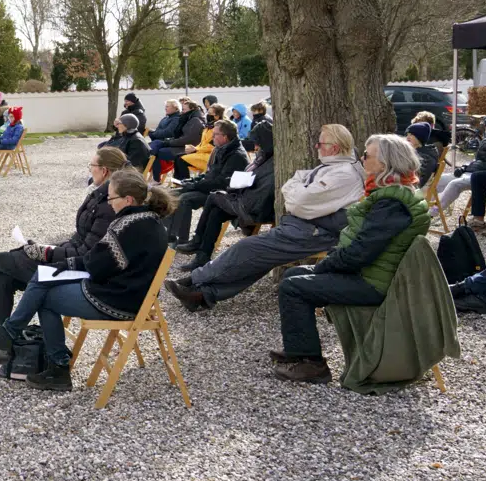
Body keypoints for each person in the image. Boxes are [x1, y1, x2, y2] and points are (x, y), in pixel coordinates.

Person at [0, 169, 174, 391]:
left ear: (128, 199)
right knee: (43, 281)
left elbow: (97, 266)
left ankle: (47, 360)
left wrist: (66, 265)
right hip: (130, 294)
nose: (109, 202)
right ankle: (20, 344)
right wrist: (66, 265)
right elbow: (100, 261)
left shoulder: (127, 225)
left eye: (112, 197)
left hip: (118, 300)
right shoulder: (149, 221)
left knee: (43, 295)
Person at [271, 133, 430, 383]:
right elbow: (362, 246)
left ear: (385, 163)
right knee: (293, 274)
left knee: (293, 287)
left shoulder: (392, 202)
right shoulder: (396, 193)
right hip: (377, 273)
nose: (361, 159)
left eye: (366, 155)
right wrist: (330, 262)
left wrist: (325, 265)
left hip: (376, 283)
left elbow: (360, 253)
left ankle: (312, 365)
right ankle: (299, 348)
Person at [0, 146, 131, 347]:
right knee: (4, 272)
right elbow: (80, 240)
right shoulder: (100, 196)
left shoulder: (109, 204)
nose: (89, 169)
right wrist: (46, 248)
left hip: (81, 271)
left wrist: (46, 253)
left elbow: (86, 253)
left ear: (104, 171)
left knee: (4, 261)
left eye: (92, 165)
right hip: (74, 262)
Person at [165, 124, 365, 312]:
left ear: (334, 148)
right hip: (305, 226)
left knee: (246, 248)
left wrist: (295, 187)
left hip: (314, 231)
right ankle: (202, 294)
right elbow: (295, 183)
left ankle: (194, 280)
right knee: (256, 256)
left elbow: (297, 202)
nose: (316, 147)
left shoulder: (343, 174)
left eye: (320, 144)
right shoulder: (333, 166)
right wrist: (297, 187)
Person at [177, 117, 275, 270]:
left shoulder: (265, 161)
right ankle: (202, 257)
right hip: (242, 196)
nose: (255, 146)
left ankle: (197, 241)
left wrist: (233, 188)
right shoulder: (262, 156)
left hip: (252, 206)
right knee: (215, 212)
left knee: (212, 197)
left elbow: (259, 190)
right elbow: (217, 176)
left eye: (258, 143)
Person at [165, 120, 248, 248]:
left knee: (185, 199)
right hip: (210, 187)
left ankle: (182, 240)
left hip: (223, 193)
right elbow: (209, 174)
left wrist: (195, 186)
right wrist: (193, 181)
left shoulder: (236, 155)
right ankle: (169, 235)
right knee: (169, 194)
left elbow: (221, 183)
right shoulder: (220, 148)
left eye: (215, 134)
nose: (212, 137)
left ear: (225, 137)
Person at [432, 115, 486, 222]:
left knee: (455, 184)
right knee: (440, 180)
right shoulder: (485, 141)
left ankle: (433, 212)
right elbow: (476, 160)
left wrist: (472, 167)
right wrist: (463, 167)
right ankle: (423, 208)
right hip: (472, 171)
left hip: (482, 176)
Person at [152, 98, 204, 182]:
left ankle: (158, 178)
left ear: (192, 109)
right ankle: (158, 178)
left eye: (184, 109)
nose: (182, 111)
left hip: (187, 149)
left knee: (159, 151)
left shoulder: (195, 120)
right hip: (181, 146)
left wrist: (170, 143)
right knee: (157, 145)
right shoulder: (188, 118)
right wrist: (169, 141)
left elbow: (187, 140)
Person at [173, 113, 216, 178]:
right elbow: (202, 143)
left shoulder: (217, 129)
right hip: (201, 152)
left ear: (217, 116)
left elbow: (212, 146)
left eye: (210, 113)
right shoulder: (208, 127)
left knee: (181, 160)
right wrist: (194, 148)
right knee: (177, 157)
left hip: (209, 156)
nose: (208, 115)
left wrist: (196, 149)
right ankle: (177, 181)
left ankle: (184, 181)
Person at [406, 122, 440, 189]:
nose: (407, 137)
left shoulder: (427, 157)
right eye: (407, 134)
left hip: (411, 189)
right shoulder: (414, 152)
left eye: (411, 135)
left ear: (419, 137)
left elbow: (418, 183)